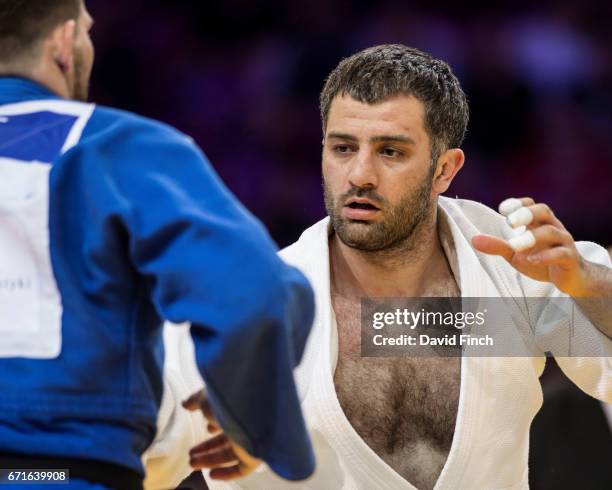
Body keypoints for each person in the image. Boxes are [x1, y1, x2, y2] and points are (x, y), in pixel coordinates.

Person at [195, 44, 611, 490]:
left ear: (444, 170)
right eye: (342, 148)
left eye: (391, 152)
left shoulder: (508, 267)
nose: (359, 175)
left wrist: (590, 286)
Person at [0, 1, 316, 489]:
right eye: (87, 32)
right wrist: (252, 415)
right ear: (65, 44)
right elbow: (256, 295)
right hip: (58, 472)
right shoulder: (116, 146)